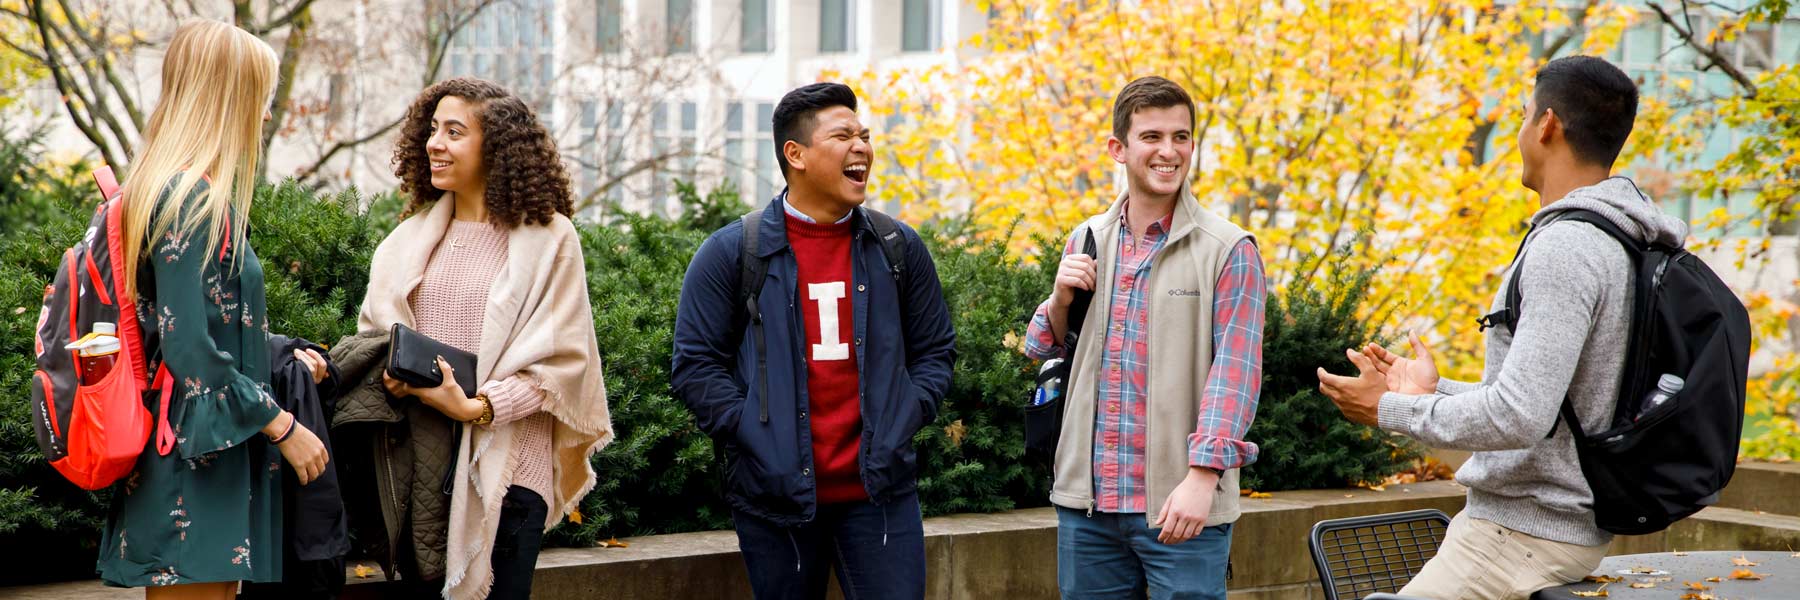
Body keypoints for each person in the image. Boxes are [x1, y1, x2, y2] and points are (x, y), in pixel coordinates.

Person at [1316, 55, 1686, 600]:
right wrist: (1431, 391)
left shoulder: (1566, 248)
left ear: (1547, 126)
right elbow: (1557, 405)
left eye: (1521, 115)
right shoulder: (1621, 240)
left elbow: (1519, 416)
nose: (1518, 130)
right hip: (1545, 532)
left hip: (1518, 536)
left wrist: (1387, 409)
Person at [671, 82, 957, 600]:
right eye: (843, 135)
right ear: (795, 154)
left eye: (864, 135)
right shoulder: (734, 251)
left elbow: (936, 350)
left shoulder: (897, 246)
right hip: (773, 499)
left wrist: (905, 415)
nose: (862, 148)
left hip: (881, 495)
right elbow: (695, 365)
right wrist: (753, 432)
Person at [97, 19, 332, 599]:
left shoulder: (179, 191)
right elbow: (189, 348)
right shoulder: (188, 199)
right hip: (193, 459)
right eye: (261, 98)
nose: (267, 115)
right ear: (229, 98)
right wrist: (283, 425)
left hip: (205, 449)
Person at [362, 77, 613, 600]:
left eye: (455, 132)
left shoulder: (549, 240)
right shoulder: (405, 242)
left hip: (510, 473)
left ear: (496, 147)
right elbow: (374, 337)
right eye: (432, 130)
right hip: (418, 473)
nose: (436, 143)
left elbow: (563, 365)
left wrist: (476, 407)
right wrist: (398, 377)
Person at [1021, 75, 1266, 600]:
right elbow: (1043, 349)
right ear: (1118, 148)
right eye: (1152, 137)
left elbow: (1236, 374)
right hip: (1087, 509)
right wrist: (1060, 301)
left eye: (1180, 137)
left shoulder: (1228, 249)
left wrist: (1203, 478)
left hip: (1180, 510)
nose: (1168, 151)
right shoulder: (1087, 238)